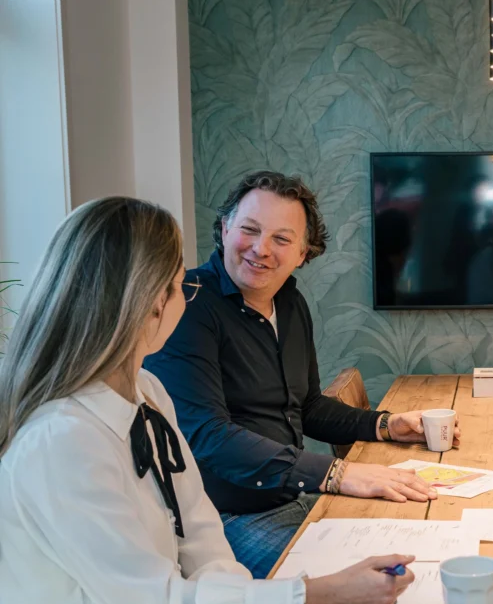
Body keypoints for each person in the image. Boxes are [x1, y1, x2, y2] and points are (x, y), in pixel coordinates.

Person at [0, 197, 417, 604]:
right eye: (181, 284)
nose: (190, 290)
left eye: (282, 238)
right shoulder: (61, 442)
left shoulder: (147, 392)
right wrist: (318, 597)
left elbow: (200, 537)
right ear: (153, 301)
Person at [144, 171, 456, 579]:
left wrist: (386, 425)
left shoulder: (289, 301)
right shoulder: (187, 304)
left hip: (298, 495)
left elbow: (306, 406)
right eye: (249, 230)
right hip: (232, 518)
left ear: (303, 253)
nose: (261, 249)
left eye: (281, 238)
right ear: (224, 229)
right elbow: (207, 436)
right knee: (377, 582)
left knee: (424, 546)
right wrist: (336, 473)